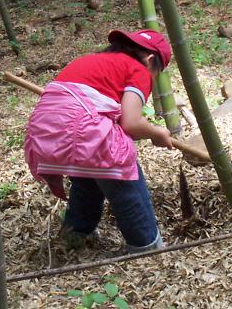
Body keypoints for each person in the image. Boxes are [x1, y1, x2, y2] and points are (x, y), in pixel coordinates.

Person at [24, 29, 173, 253]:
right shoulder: (138, 69)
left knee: (88, 175)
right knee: (123, 176)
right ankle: (147, 247)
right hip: (82, 130)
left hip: (43, 133)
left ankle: (75, 234)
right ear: (151, 61)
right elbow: (130, 122)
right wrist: (156, 133)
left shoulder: (90, 61)